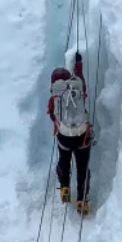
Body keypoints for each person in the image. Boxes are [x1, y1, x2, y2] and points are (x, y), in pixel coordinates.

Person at [48, 53, 93, 216]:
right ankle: (82, 200)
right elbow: (80, 76)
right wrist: (78, 63)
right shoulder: (78, 87)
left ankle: (65, 187)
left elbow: (53, 116)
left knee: (64, 161)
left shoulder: (56, 95)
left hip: (64, 137)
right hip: (82, 136)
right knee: (82, 167)